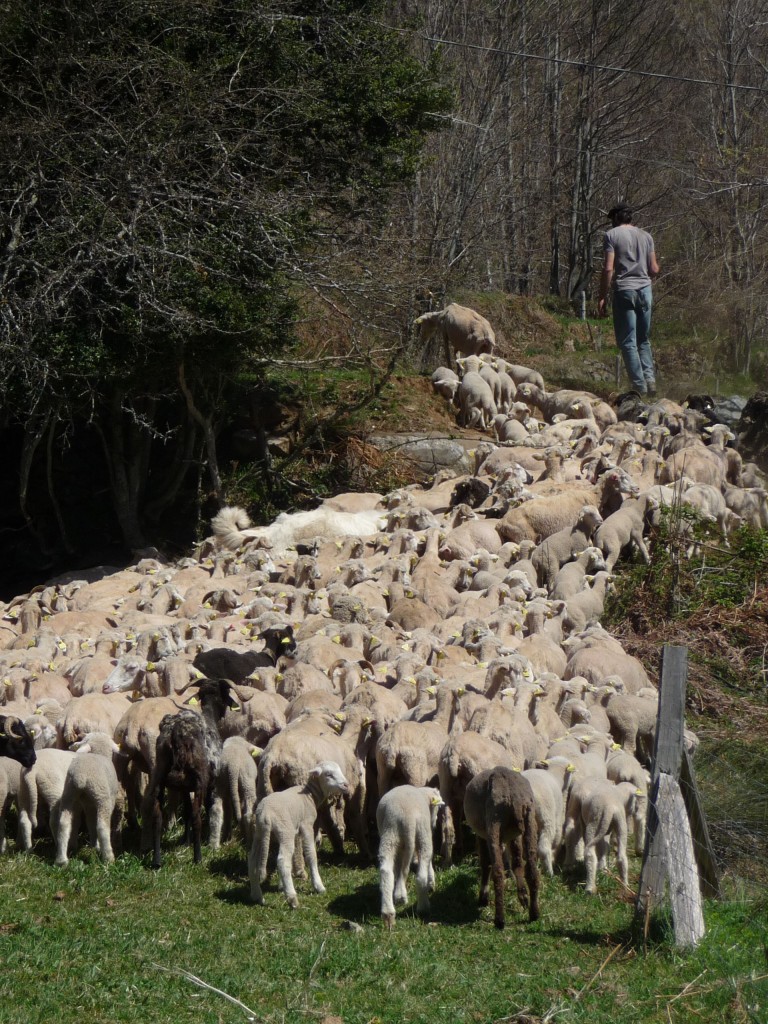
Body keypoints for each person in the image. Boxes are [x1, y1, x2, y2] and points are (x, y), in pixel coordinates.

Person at [598, 202, 660, 397]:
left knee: (628, 342)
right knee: (643, 340)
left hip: (625, 290)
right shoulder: (646, 236)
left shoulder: (612, 235)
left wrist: (602, 296)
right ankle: (650, 382)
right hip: (645, 290)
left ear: (616, 218)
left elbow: (609, 268)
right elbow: (654, 269)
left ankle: (638, 386)